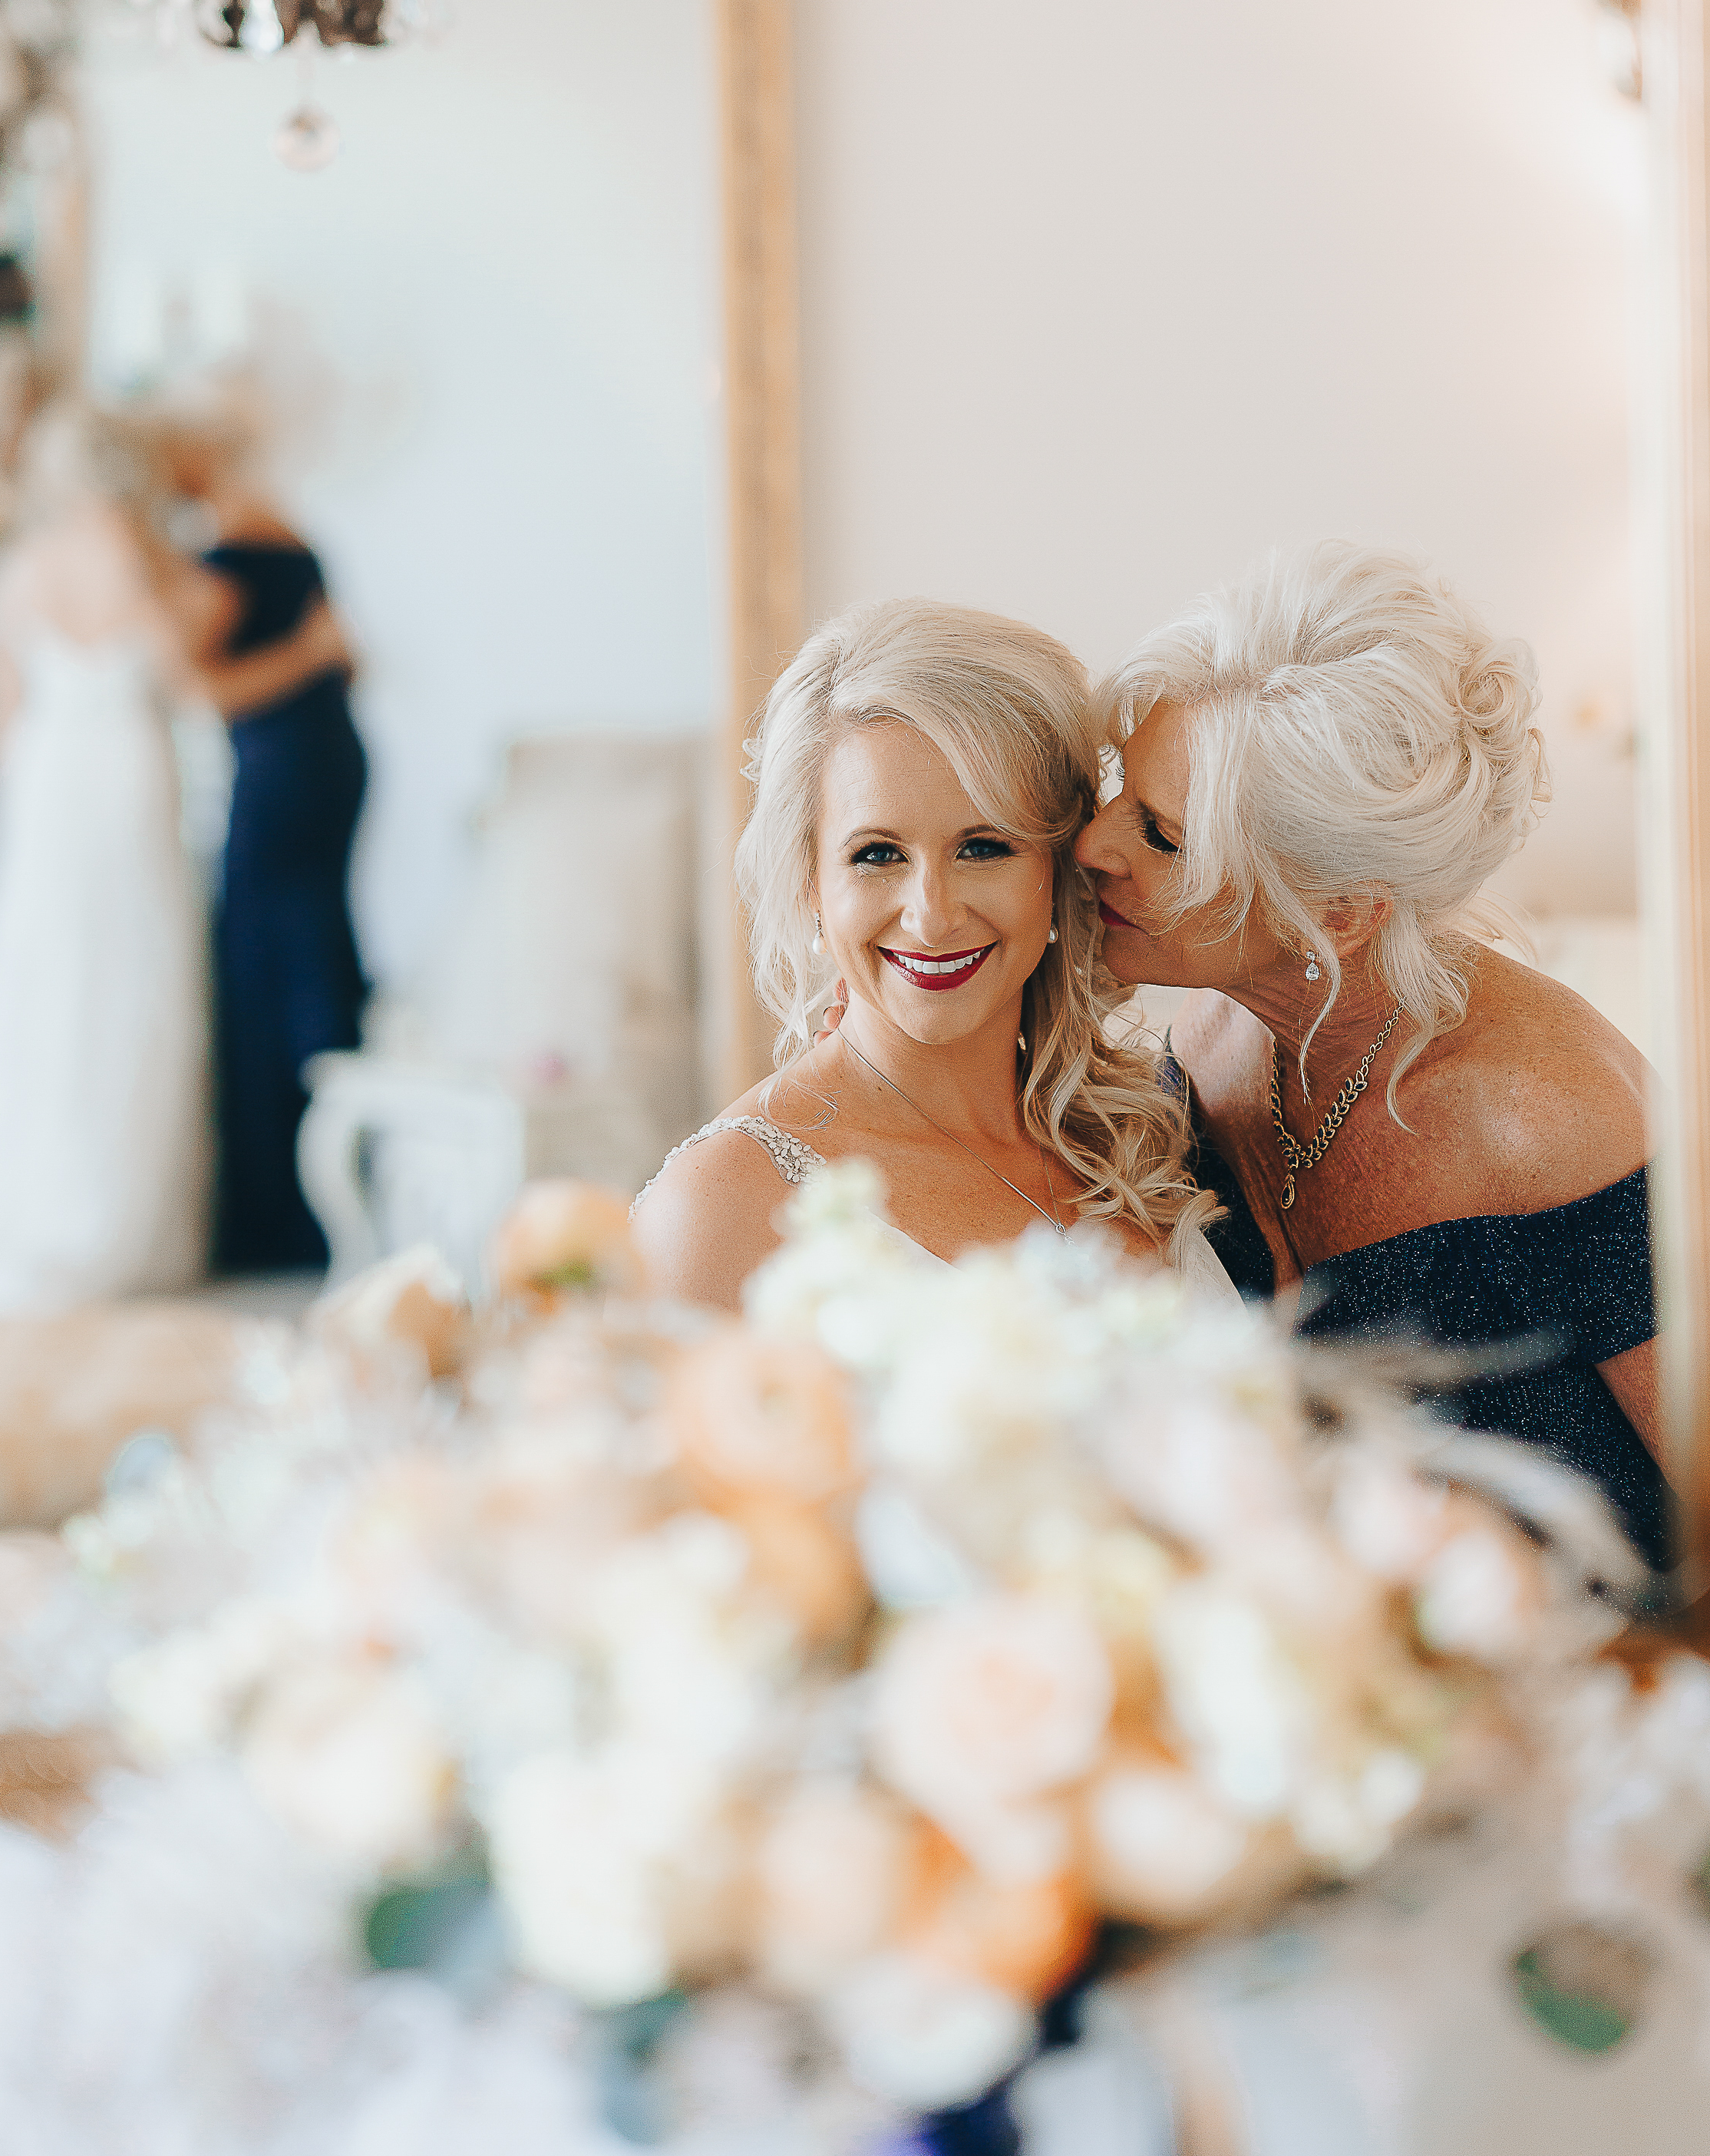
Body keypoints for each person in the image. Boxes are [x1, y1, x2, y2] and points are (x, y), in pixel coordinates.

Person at [1075, 541, 1669, 1567]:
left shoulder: (1551, 1120)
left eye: (1163, 835)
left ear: (1338, 913)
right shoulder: (1200, 1044)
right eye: (1122, 791)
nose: (1095, 845)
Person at [633, 598, 1228, 1307]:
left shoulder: (1151, 1134)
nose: (932, 915)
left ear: (1058, 868)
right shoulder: (720, 1205)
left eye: (983, 847)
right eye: (877, 855)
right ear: (810, 882)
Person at [0, 408, 322, 1317]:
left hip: (45, 795)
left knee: (39, 986)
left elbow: (5, 729)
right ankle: (117, 1214)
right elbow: (197, 689)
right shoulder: (135, 561)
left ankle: (17, 1200)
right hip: (121, 781)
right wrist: (310, 654)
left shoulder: (15, 573)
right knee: (129, 983)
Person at [154, 416, 368, 1276]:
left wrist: (300, 655)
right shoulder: (292, 534)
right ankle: (326, 1192)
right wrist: (317, 655)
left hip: (284, 777)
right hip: (328, 764)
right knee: (315, 953)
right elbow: (346, 660)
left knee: (261, 968)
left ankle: (277, 1215)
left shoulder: (227, 552)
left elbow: (208, 692)